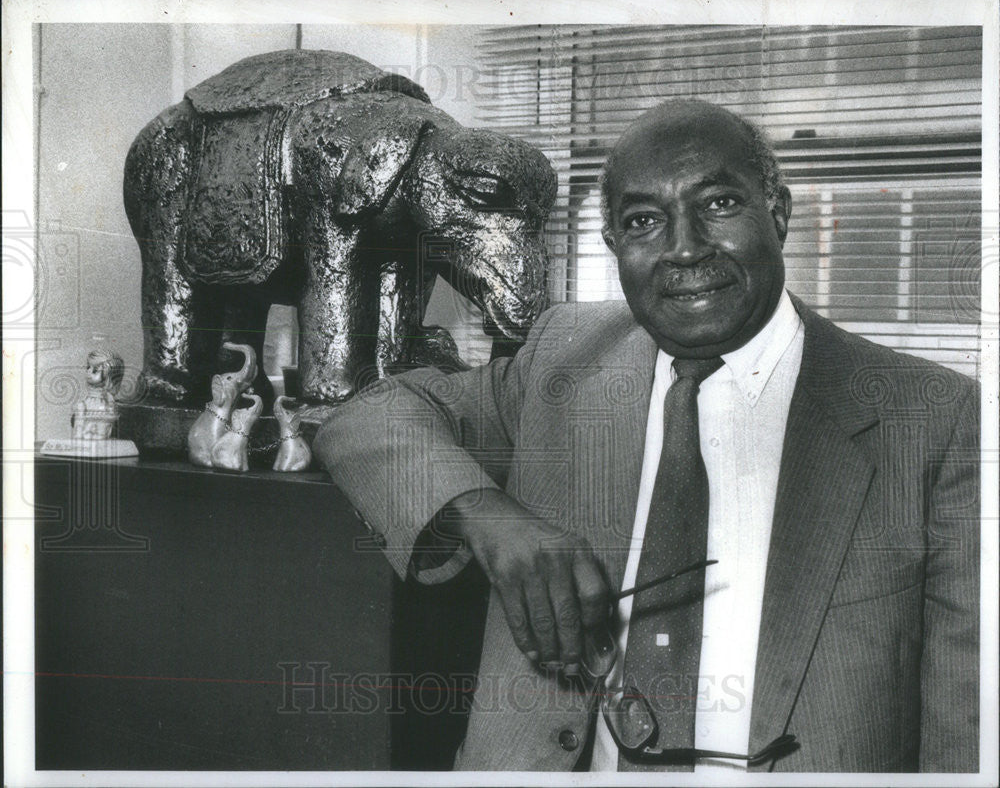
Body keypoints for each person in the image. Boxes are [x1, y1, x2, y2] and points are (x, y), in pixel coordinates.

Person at [315, 100, 979, 773]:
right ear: (613, 247)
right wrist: (490, 520)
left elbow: (967, 734)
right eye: (643, 221)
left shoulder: (931, 420)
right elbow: (368, 416)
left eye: (718, 203)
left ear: (777, 211)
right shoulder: (565, 360)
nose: (684, 247)